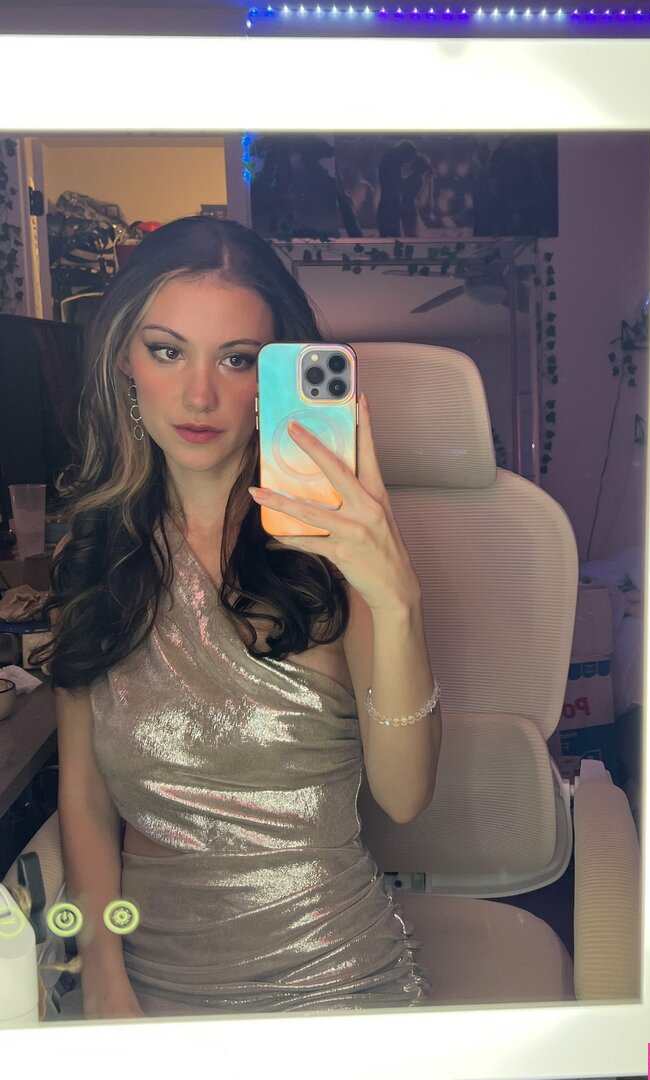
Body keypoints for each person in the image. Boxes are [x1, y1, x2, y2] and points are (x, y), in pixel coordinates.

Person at [34, 215, 442, 1020]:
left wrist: (396, 599)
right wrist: (105, 981)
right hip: (148, 990)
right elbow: (84, 797)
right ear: (123, 360)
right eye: (167, 351)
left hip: (335, 985)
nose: (199, 395)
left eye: (236, 359)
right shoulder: (93, 557)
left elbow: (405, 797)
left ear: (273, 375)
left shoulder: (334, 552)